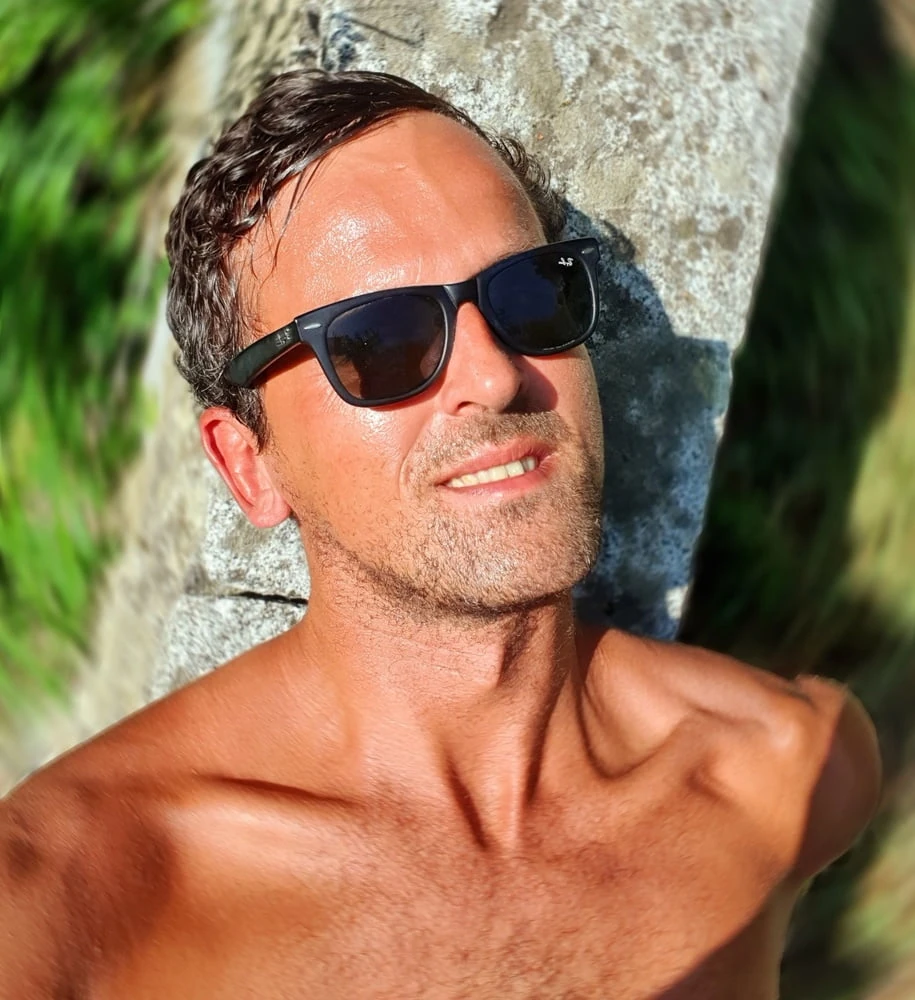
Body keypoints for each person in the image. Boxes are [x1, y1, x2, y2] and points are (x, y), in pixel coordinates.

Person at [0, 70, 881, 999]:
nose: (496, 377)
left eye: (529, 295)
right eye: (379, 340)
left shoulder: (786, 770)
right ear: (248, 464)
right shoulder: (63, 906)